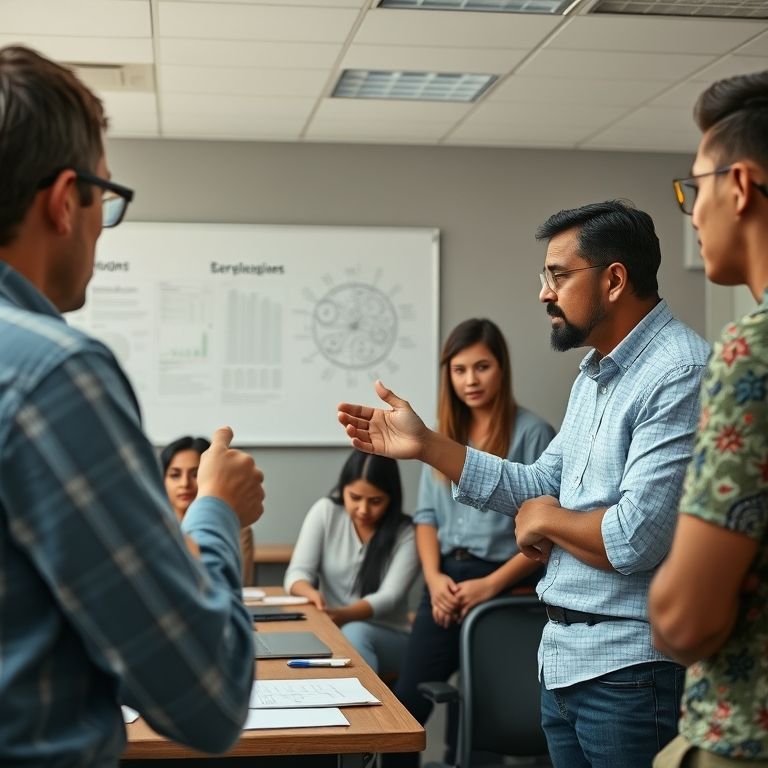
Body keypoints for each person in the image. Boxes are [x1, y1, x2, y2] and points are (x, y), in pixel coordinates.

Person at [338, 200, 711, 768]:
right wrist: (428, 445)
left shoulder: (677, 370)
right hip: (563, 660)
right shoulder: (595, 374)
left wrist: (545, 519)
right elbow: (539, 481)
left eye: (558, 275)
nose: (544, 292)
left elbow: (635, 539)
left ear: (614, 280)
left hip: (629, 672)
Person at [0, 45, 265, 766]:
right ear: (63, 201)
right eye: (103, 200)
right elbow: (205, 696)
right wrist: (214, 508)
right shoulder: (55, 373)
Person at [649, 71, 768, 767]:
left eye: (695, 188)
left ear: (742, 186)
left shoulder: (749, 353)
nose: (691, 211)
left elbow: (683, 618)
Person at [388, 318, 554, 767]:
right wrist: (434, 577)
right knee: (405, 706)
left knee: (483, 714)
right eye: (459, 370)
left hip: (503, 584)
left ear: (501, 369)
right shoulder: (439, 439)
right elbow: (425, 519)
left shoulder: (533, 433)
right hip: (445, 579)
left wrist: (490, 586)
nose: (470, 380)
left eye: (481, 367)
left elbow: (547, 530)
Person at [285, 450, 419, 678]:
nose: (363, 509)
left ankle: (364, 712)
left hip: (390, 634)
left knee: (355, 632)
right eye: (355, 498)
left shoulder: (407, 532)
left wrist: (343, 615)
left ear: (391, 498)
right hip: (331, 626)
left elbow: (390, 597)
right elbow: (297, 572)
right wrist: (310, 594)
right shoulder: (326, 512)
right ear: (342, 490)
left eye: (375, 501)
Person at [162, 435, 256, 586]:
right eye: (175, 475)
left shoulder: (237, 530)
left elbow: (240, 586)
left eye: (195, 474)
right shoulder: (153, 529)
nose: (185, 483)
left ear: (212, 478)